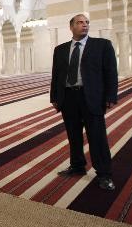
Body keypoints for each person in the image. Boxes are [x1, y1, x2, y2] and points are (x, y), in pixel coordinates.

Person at [50, 14, 118, 191]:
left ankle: (104, 174)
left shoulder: (102, 45)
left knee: (97, 136)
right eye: (80, 22)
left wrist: (111, 96)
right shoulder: (60, 49)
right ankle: (78, 166)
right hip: (68, 98)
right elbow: (56, 76)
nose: (84, 25)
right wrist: (55, 98)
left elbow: (111, 72)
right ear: (71, 27)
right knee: (73, 135)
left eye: (86, 22)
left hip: (92, 97)